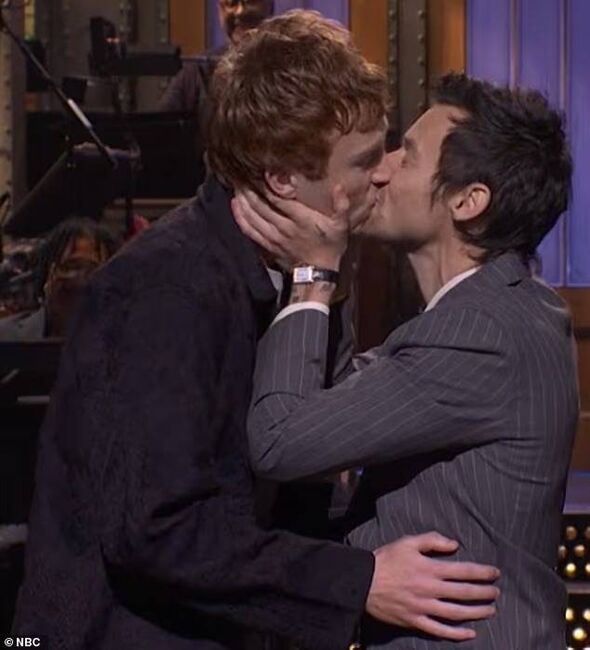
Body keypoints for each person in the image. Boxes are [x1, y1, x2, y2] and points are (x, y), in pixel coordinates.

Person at [12, 18, 499, 650]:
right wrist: (359, 581)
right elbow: (158, 529)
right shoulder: (164, 289)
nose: (383, 174)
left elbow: (303, 467)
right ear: (282, 179)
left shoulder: (302, 265)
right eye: (362, 161)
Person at [236, 73, 578, 648]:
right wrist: (336, 273)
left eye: (407, 154)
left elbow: (279, 440)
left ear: (468, 201)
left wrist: (312, 274)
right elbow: (342, 405)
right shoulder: (504, 310)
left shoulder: (479, 333)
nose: (381, 170)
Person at [159, 1, 274, 187]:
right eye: (230, 3)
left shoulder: (295, 69)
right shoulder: (197, 72)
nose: (239, 11)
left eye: (249, 1)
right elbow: (160, 138)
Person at [0, 217, 117, 341]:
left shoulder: (124, 341)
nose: (80, 281)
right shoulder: (6, 337)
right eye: (71, 267)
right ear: (47, 277)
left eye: (92, 270)